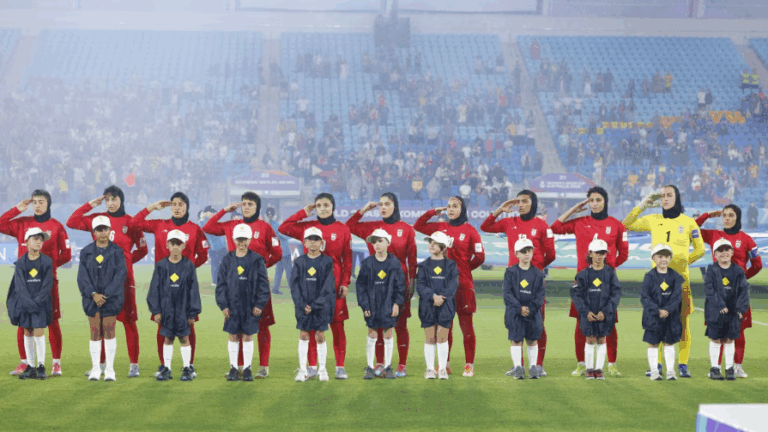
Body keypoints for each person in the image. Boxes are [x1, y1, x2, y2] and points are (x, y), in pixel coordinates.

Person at [623, 185, 705, 377]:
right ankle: (657, 365)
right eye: (662, 196)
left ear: (677, 198)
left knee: (683, 323)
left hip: (681, 281)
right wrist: (643, 204)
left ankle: (683, 365)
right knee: (658, 321)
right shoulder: (653, 220)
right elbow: (626, 224)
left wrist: (684, 263)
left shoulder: (689, 222)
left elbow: (700, 250)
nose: (665, 199)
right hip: (657, 282)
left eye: (669, 195)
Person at [67, 186, 148, 378]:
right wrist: (90, 205)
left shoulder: (131, 222)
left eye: (115, 199)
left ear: (122, 200)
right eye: (107, 200)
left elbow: (143, 249)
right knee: (101, 321)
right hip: (99, 280)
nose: (111, 203)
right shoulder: (97, 220)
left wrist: (125, 261)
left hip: (124, 279)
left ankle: (134, 364)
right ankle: (101, 365)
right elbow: (72, 222)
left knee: (129, 321)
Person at [550, 186, 629, 377]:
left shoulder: (617, 225)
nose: (594, 204)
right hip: (584, 281)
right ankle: (581, 363)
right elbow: (555, 228)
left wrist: (607, 271)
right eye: (591, 200)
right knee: (581, 322)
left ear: (605, 201)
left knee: (609, 323)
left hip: (606, 282)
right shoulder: (580, 222)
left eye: (598, 200)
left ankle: (611, 363)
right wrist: (573, 209)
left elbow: (624, 254)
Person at [130, 192, 209, 378]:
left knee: (189, 326)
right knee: (162, 325)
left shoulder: (195, 229)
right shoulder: (160, 224)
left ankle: (189, 365)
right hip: (163, 283)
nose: (177, 207)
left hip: (184, 286)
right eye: (174, 204)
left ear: (187, 207)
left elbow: (204, 254)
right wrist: (151, 207)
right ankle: (163, 365)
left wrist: (186, 271)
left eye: (181, 204)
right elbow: (133, 223)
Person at [203, 192, 282, 379]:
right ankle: (238, 366)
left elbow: (277, 253)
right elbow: (208, 227)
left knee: (262, 326)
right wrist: (225, 210)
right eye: (244, 204)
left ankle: (263, 366)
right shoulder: (232, 225)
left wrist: (260, 268)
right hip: (235, 287)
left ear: (257, 207)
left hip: (257, 288)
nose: (246, 207)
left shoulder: (265, 227)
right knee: (236, 328)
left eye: (250, 204)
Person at [481, 190, 554, 376]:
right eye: (518, 202)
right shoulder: (509, 222)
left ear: (533, 203)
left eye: (524, 201)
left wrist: (535, 271)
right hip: (513, 281)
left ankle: (538, 365)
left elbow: (551, 254)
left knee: (537, 324)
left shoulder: (542, 225)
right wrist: (499, 210)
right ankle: (518, 366)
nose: (520, 205)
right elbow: (485, 227)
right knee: (516, 324)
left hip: (534, 282)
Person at [279, 193, 352, 379]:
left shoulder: (343, 229)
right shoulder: (307, 228)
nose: (322, 208)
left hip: (332, 287)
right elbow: (284, 227)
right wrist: (305, 211)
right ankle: (311, 366)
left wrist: (345, 282)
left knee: (337, 326)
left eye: (326, 204)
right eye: (318, 205)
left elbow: (347, 260)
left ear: (333, 206)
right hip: (309, 287)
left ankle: (340, 366)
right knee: (311, 327)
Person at [346, 193, 417, 377]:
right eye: (381, 205)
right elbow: (348, 227)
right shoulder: (372, 227)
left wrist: (412, 281)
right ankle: (379, 363)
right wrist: (363, 210)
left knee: (400, 325)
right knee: (376, 325)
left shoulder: (406, 229)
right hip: (374, 285)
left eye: (387, 204)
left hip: (398, 285)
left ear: (395, 206)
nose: (383, 207)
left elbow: (412, 259)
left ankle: (401, 364)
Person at [1, 190, 71, 377]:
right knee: (23, 322)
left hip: (47, 281)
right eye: (34, 202)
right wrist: (17, 209)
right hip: (22, 281)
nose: (37, 205)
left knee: (52, 320)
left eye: (41, 202)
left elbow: (67, 254)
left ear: (48, 204)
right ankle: (25, 362)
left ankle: (56, 363)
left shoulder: (56, 226)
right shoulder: (22, 223)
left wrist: (50, 267)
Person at [414, 196, 485, 377]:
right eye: (448, 207)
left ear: (463, 209)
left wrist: (465, 269)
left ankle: (469, 364)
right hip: (442, 286)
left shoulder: (470, 230)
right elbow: (418, 226)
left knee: (466, 325)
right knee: (446, 325)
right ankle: (445, 364)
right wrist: (432, 213)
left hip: (463, 286)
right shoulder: (441, 228)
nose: (451, 210)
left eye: (455, 206)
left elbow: (480, 257)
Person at [695, 205, 762, 378]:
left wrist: (744, 278)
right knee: (717, 332)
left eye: (731, 215)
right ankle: (716, 368)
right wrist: (707, 214)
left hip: (737, 295)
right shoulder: (714, 235)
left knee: (737, 332)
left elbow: (758, 264)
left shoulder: (746, 239)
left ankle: (736, 367)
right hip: (717, 294)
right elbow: (692, 229)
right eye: (724, 215)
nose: (727, 218)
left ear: (737, 217)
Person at [215, 224, 270, 382]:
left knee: (247, 336)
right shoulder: (227, 260)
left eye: (244, 239)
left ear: (250, 240)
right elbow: (221, 285)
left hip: (250, 306)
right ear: (233, 239)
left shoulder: (257, 259)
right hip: (232, 307)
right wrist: (223, 305)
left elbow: (263, 285)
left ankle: (247, 369)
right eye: (239, 239)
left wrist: (259, 304)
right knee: (233, 336)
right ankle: (233, 368)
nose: (241, 242)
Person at [147, 229, 202, 382]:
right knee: (168, 338)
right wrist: (156, 311)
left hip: (183, 309)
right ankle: (167, 368)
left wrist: (193, 312)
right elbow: (154, 289)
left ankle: (186, 368)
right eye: (173, 243)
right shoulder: (161, 266)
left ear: (183, 246)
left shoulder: (188, 265)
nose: (176, 247)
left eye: (179, 243)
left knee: (185, 338)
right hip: (166, 310)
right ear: (167, 245)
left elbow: (193, 290)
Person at [77, 216, 127, 382]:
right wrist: (93, 294)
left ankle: (110, 370)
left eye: (105, 229)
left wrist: (105, 295)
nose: (102, 232)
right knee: (95, 332)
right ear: (94, 232)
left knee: (109, 331)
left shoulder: (117, 251)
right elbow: (82, 277)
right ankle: (96, 368)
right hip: (91, 299)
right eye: (99, 229)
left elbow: (120, 275)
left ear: (110, 230)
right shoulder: (86, 252)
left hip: (111, 299)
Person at [357, 229, 405, 379]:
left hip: (388, 304)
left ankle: (388, 367)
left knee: (388, 333)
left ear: (388, 243)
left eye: (380, 241)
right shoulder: (367, 263)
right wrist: (365, 306)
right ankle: (370, 367)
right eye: (374, 241)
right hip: (371, 305)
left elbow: (400, 286)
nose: (376, 244)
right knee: (371, 333)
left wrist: (397, 303)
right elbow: (361, 287)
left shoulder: (395, 263)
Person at [571, 239, 622, 380]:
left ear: (606, 255)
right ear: (590, 254)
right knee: (590, 339)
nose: (599, 256)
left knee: (602, 339)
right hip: (588, 314)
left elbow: (615, 294)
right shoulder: (583, 274)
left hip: (605, 314)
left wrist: (605, 312)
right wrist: (586, 312)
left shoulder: (610, 273)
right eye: (597, 253)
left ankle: (599, 370)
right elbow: (576, 294)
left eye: (602, 253)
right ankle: (589, 369)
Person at [6, 228, 53, 380]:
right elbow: (19, 286)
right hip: (25, 304)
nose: (39, 242)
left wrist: (36, 302)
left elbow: (47, 286)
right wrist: (28, 303)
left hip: (40, 304)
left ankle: (40, 366)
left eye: (41, 239)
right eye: (35, 239)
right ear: (26, 242)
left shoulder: (46, 261)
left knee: (39, 331)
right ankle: (30, 366)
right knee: (27, 332)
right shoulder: (21, 263)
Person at [290, 228, 336, 382]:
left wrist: (315, 305)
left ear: (321, 242)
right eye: (310, 239)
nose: (313, 242)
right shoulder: (299, 262)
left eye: (316, 239)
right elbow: (294, 286)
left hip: (321, 307)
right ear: (304, 242)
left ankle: (322, 370)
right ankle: (303, 370)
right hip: (303, 307)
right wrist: (302, 304)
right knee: (303, 335)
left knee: (320, 336)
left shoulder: (327, 261)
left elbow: (328, 287)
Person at [704, 239, 750, 381]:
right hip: (714, 311)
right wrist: (720, 305)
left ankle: (730, 369)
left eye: (726, 250)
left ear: (731, 252)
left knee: (730, 339)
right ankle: (715, 369)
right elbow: (709, 290)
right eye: (720, 250)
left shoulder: (738, 271)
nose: (724, 253)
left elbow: (743, 291)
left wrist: (741, 309)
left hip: (733, 312)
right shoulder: (711, 269)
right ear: (715, 254)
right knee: (716, 339)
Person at [417, 231, 459, 380]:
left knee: (442, 338)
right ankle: (429, 369)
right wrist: (433, 296)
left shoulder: (451, 265)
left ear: (443, 246)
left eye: (434, 242)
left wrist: (441, 297)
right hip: (427, 305)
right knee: (430, 338)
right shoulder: (423, 265)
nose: (431, 245)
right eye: (430, 242)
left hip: (445, 305)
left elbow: (453, 285)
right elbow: (420, 286)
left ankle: (442, 369)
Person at [503, 238, 545, 380]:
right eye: (523, 251)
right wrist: (519, 308)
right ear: (516, 254)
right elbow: (507, 294)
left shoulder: (539, 274)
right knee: (516, 340)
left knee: (532, 340)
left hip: (533, 314)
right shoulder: (510, 272)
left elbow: (540, 296)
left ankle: (533, 367)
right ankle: (518, 368)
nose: (526, 254)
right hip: (515, 314)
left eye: (529, 251)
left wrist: (530, 309)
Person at [640, 244, 684, 381]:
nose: (663, 259)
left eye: (666, 256)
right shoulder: (649, 276)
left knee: (669, 343)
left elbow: (677, 296)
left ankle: (670, 371)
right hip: (653, 317)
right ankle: (654, 371)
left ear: (670, 258)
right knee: (652, 343)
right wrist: (657, 310)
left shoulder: (676, 276)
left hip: (671, 317)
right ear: (653, 258)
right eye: (660, 256)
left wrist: (667, 310)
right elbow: (644, 297)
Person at [266, 207, 293, 295]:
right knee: (288, 271)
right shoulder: (277, 225)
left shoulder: (267, 226)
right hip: (284, 250)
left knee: (279, 270)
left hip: (277, 251)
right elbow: (284, 236)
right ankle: (292, 289)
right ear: (274, 215)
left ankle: (275, 288)